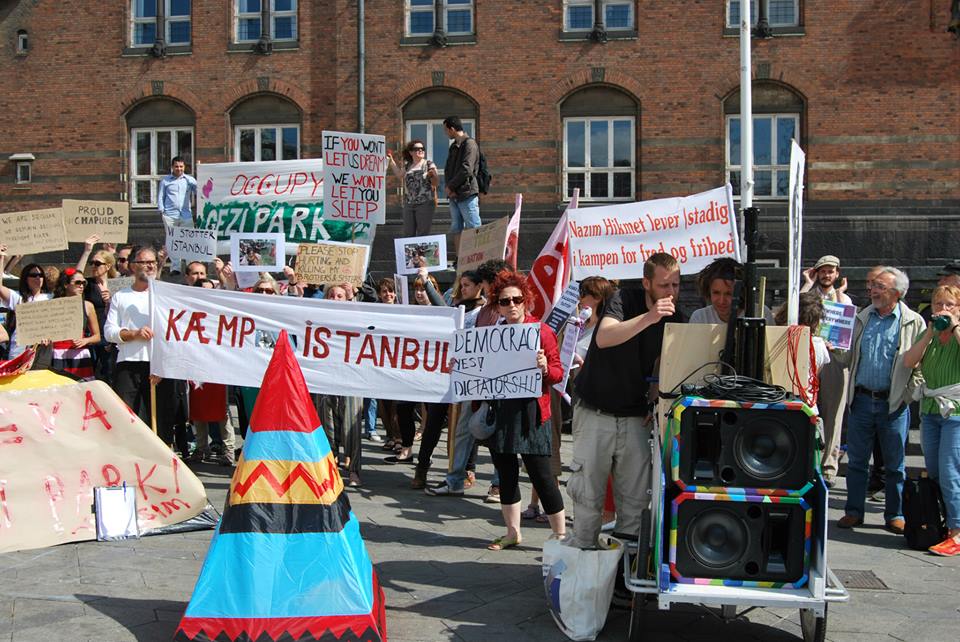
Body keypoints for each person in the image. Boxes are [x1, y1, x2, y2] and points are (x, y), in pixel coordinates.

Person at [569, 252, 684, 549]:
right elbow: (604, 337)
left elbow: (665, 366)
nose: (670, 293)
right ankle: (584, 565)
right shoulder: (623, 299)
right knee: (588, 495)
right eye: (663, 285)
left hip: (635, 415)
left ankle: (625, 576)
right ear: (647, 283)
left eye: (675, 285)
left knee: (635, 501)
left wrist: (655, 399)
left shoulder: (678, 317)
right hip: (595, 408)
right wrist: (650, 317)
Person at [834, 266, 925, 534]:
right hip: (862, 401)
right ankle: (853, 511)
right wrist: (834, 345)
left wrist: (907, 395)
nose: (873, 290)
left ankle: (894, 514)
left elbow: (921, 365)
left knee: (895, 466)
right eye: (873, 286)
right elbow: (844, 358)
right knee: (857, 462)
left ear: (896, 293)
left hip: (894, 404)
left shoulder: (913, 321)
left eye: (880, 287)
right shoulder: (862, 318)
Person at [483, 270, 566, 550]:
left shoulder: (541, 331)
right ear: (498, 306)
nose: (512, 305)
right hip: (503, 413)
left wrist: (545, 368)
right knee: (506, 475)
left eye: (517, 299)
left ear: (526, 300)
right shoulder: (493, 336)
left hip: (533, 412)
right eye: (505, 302)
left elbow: (558, 372)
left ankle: (560, 536)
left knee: (542, 476)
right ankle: (512, 532)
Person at [903, 284, 960, 556]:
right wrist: (929, 333)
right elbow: (909, 361)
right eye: (939, 305)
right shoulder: (933, 338)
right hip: (931, 411)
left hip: (956, 412)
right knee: (935, 471)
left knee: (950, 472)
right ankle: (945, 524)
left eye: (950, 304)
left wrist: (956, 327)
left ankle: (957, 532)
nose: (943, 310)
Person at [104, 247, 157, 426]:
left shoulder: (166, 296)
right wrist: (135, 333)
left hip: (158, 366)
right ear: (133, 266)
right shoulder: (121, 296)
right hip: (128, 364)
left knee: (159, 420)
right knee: (127, 419)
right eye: (144, 262)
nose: (150, 266)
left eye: (153, 262)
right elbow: (109, 332)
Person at [0, 250, 53, 360]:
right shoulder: (18, 298)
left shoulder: (51, 298)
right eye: (34, 275)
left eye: (40, 275)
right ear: (26, 278)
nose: (38, 278)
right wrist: (1, 259)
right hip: (19, 351)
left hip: (42, 353)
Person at [689, 257, 774, 324]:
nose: (722, 301)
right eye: (716, 293)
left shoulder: (761, 314)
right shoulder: (699, 318)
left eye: (729, 294)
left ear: (741, 292)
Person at [50, 268, 100, 380]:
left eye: (83, 283)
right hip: (58, 353)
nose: (81, 286)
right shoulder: (52, 305)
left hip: (79, 354)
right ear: (66, 284)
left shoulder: (88, 306)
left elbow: (97, 336)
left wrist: (85, 340)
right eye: (78, 283)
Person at [443, 116, 481, 251]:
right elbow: (448, 169)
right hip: (454, 195)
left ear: (452, 129)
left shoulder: (470, 144)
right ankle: (459, 259)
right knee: (456, 228)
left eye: (446, 130)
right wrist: (449, 188)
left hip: (467, 193)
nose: (445, 133)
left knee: (473, 227)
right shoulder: (454, 146)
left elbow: (467, 169)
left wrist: (450, 186)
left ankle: (477, 258)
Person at [388, 140, 439, 237]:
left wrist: (432, 175)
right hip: (409, 204)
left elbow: (436, 182)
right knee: (408, 232)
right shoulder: (408, 166)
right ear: (411, 152)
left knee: (422, 233)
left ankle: (421, 252)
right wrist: (391, 161)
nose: (420, 150)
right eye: (417, 149)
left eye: (422, 149)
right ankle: (410, 252)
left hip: (425, 203)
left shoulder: (428, 164)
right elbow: (399, 175)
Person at [157, 156, 197, 228]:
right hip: (170, 216)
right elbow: (161, 196)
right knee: (172, 239)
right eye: (176, 166)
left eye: (181, 166)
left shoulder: (190, 180)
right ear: (172, 167)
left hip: (186, 216)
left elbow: (200, 193)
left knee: (188, 238)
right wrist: (162, 211)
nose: (179, 169)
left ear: (184, 167)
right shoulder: (165, 181)